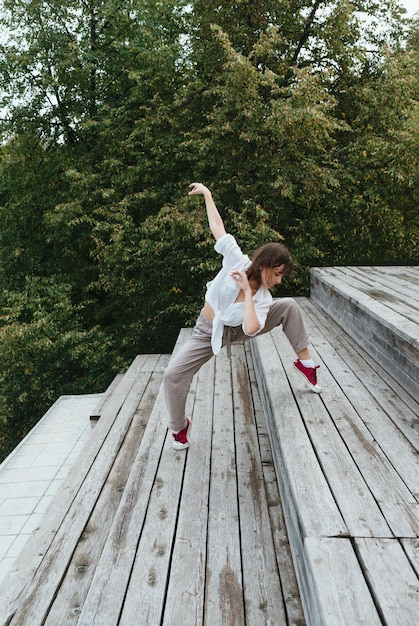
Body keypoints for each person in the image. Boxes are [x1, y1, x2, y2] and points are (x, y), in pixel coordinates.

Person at [164, 183, 321, 450]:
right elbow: (217, 228)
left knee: (288, 306)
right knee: (172, 375)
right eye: (278, 273)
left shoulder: (263, 299)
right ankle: (179, 427)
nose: (279, 280)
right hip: (208, 330)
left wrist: (248, 293)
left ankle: (305, 364)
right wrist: (207, 195)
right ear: (265, 265)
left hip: (241, 327)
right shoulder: (237, 259)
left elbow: (251, 329)